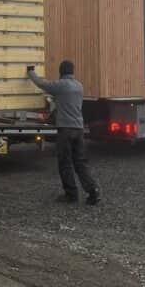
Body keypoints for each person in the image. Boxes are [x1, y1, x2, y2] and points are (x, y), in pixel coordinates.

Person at [27, 60, 101, 205]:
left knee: (65, 163)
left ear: (61, 72)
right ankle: (93, 192)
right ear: (72, 72)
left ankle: (71, 195)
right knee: (80, 163)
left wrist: (30, 72)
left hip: (65, 130)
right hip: (79, 130)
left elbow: (41, 84)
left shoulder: (60, 85)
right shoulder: (79, 86)